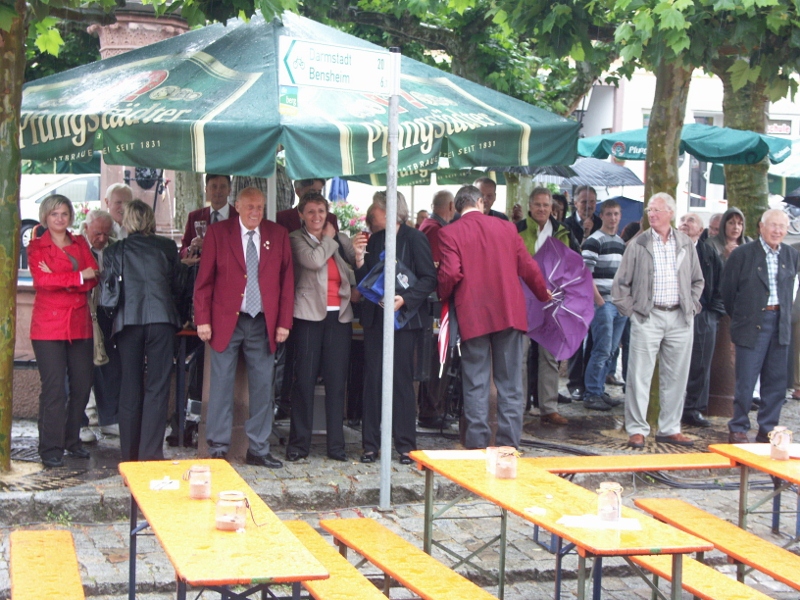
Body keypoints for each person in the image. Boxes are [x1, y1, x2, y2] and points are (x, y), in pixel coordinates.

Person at [439, 185, 549, 449]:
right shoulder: (507, 228)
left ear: (455, 207)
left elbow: (451, 273)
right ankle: (509, 447)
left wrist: (442, 294)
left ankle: (476, 445)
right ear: (480, 203)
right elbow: (528, 267)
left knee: (476, 381)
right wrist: (545, 294)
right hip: (509, 312)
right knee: (510, 384)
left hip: (473, 314)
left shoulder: (449, 232)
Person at [194, 187, 294, 468]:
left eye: (260, 207)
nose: (255, 212)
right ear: (236, 205)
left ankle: (259, 449)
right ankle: (217, 446)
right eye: (250, 207)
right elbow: (204, 280)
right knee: (221, 384)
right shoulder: (218, 233)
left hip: (263, 321)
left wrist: (284, 322)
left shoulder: (277, 235)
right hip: (226, 320)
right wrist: (202, 318)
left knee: (263, 386)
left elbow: (287, 282)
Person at [611, 192, 704, 449]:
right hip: (648, 316)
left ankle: (670, 428)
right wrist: (634, 313)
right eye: (650, 210)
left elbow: (698, 280)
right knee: (638, 375)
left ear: (670, 214)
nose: (652, 214)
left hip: (680, 317)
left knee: (676, 376)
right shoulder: (638, 244)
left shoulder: (685, 243)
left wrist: (691, 305)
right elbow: (620, 285)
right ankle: (637, 429)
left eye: (657, 210)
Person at [355, 191, 437, 464]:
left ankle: (404, 446)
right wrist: (357, 260)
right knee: (372, 381)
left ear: (389, 210)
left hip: (405, 322)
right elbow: (364, 283)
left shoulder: (415, 239)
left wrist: (406, 299)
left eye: (375, 208)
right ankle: (370, 445)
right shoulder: (376, 238)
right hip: (376, 321)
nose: (371, 213)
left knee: (401, 382)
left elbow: (428, 279)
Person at [286, 192, 365, 462]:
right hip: (308, 317)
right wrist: (330, 239)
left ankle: (336, 447)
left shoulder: (339, 241)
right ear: (301, 215)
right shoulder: (296, 239)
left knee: (336, 383)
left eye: (321, 211)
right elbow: (314, 261)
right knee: (304, 382)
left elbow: (350, 272)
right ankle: (298, 445)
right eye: (311, 212)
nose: (317, 217)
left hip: (339, 317)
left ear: (327, 212)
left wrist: (356, 261)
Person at [103, 200, 182, 461]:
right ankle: (151, 454)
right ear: (150, 220)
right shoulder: (167, 246)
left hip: (128, 321)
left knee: (130, 385)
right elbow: (177, 285)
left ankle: (129, 455)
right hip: (162, 319)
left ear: (126, 221)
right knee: (158, 387)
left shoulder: (115, 249)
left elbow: (109, 292)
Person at [28, 195, 98, 468]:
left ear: (71, 217)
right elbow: (42, 281)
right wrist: (79, 276)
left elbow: (95, 276)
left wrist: (67, 280)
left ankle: (72, 440)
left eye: (65, 214)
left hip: (79, 323)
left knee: (82, 385)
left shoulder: (80, 242)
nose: (60, 218)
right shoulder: (36, 247)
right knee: (55, 388)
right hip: (48, 326)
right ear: (46, 217)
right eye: (54, 214)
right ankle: (50, 447)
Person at [721, 209, 799, 443]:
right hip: (751, 322)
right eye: (772, 225)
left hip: (780, 323)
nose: (777, 231)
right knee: (746, 379)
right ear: (761, 227)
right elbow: (728, 293)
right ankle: (739, 426)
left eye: (782, 226)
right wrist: (743, 317)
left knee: (776, 382)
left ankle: (768, 429)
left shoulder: (791, 255)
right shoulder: (743, 254)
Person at [517, 187, 577, 425]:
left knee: (549, 356)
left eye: (546, 205)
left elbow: (574, 266)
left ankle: (548, 407)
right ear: (530, 206)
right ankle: (518, 406)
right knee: (519, 356)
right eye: (538, 204)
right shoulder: (517, 230)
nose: (542, 209)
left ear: (552, 207)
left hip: (553, 304)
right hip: (523, 302)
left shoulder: (564, 231)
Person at [678, 212, 725, 428]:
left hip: (703, 313)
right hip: (674, 313)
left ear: (701, 229)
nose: (685, 224)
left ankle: (693, 408)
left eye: (691, 221)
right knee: (674, 362)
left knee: (700, 362)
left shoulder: (708, 253)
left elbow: (720, 285)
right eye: (682, 220)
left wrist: (712, 314)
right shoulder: (669, 249)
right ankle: (670, 406)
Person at [581, 200, 627, 411]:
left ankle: (599, 389)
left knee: (610, 351)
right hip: (602, 304)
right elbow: (585, 274)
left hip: (619, 304)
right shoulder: (593, 241)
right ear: (602, 215)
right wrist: (598, 301)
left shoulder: (620, 242)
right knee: (601, 349)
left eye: (616, 214)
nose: (613, 218)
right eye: (608, 214)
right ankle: (591, 393)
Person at [417, 190, 457, 429]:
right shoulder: (436, 230)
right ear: (451, 206)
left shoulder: (427, 226)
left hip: (430, 305)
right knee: (437, 358)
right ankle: (432, 410)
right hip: (435, 306)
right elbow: (439, 270)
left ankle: (432, 408)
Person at [81, 210, 121, 437]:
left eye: (106, 233)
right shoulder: (79, 248)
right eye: (97, 233)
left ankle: (109, 418)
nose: (102, 238)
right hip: (85, 313)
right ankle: (81, 422)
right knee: (82, 369)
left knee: (110, 367)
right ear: (87, 229)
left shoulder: (115, 248)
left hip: (108, 313)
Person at [565, 185, 602, 399]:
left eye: (592, 202)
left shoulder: (601, 223)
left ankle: (591, 382)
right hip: (574, 290)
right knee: (577, 337)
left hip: (597, 289)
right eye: (584, 202)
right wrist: (584, 234)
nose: (589, 206)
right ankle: (575, 383)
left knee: (596, 339)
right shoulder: (567, 225)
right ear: (576, 203)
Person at [179, 174, 237, 258]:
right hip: (200, 268)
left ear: (229, 190)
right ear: (206, 189)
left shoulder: (239, 217)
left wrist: (209, 246)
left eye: (222, 187)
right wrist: (190, 248)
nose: (218, 191)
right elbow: (182, 251)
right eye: (214, 186)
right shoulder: (194, 217)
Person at [418, 190, 455, 266]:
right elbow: (437, 265)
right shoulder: (437, 231)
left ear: (432, 206)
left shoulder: (426, 224)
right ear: (451, 205)